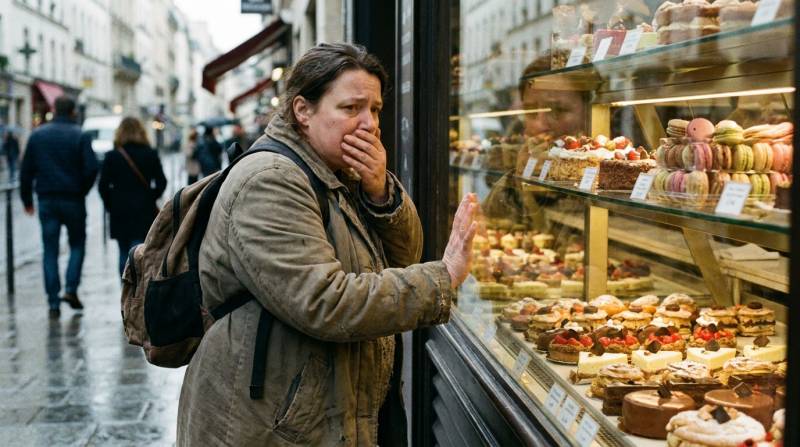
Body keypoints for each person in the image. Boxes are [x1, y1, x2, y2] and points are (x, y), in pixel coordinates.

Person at [177, 42, 479, 446]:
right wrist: (442, 278)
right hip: (270, 424)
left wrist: (380, 194)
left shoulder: (338, 171)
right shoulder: (270, 180)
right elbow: (323, 301)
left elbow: (403, 258)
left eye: (374, 109)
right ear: (303, 111)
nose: (369, 124)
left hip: (326, 408)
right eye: (351, 108)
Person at [20, 96, 98, 319]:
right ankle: (71, 289)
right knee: (77, 244)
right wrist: (81, 190)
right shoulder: (80, 134)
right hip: (73, 199)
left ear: (54, 110)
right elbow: (91, 168)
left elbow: (27, 171)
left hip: (46, 200)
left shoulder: (38, 135)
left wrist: (27, 200)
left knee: (50, 249)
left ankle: (53, 301)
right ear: (73, 111)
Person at [98, 117, 167, 276]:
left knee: (123, 251)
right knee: (140, 249)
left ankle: (125, 289)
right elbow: (162, 182)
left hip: (120, 210)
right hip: (144, 209)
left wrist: (111, 204)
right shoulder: (150, 154)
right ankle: (139, 288)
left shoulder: (112, 156)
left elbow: (102, 186)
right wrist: (151, 196)